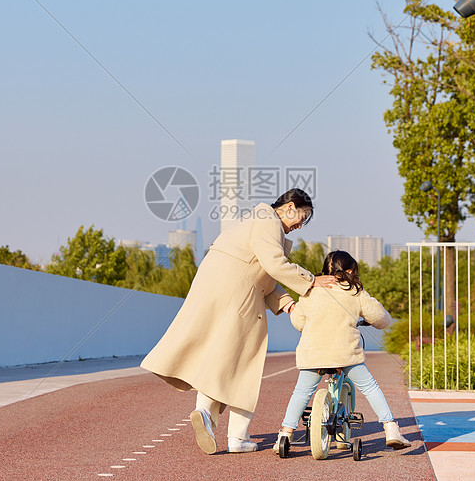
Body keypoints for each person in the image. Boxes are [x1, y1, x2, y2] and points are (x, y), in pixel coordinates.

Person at [141, 189, 335, 454]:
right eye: (303, 216)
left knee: (221, 358)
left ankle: (213, 419)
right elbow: (275, 265)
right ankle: (230, 432)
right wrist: (312, 280)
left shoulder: (255, 221)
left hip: (222, 288)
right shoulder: (268, 221)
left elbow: (263, 274)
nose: (301, 224)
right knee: (244, 363)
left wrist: (287, 304)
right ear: (289, 207)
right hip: (239, 296)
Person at [273, 250, 411, 453]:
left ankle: (285, 435)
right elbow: (382, 319)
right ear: (347, 270)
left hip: (313, 354)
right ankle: (391, 429)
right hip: (345, 354)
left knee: (301, 392)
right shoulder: (353, 291)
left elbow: (298, 321)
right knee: (370, 387)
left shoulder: (310, 290)